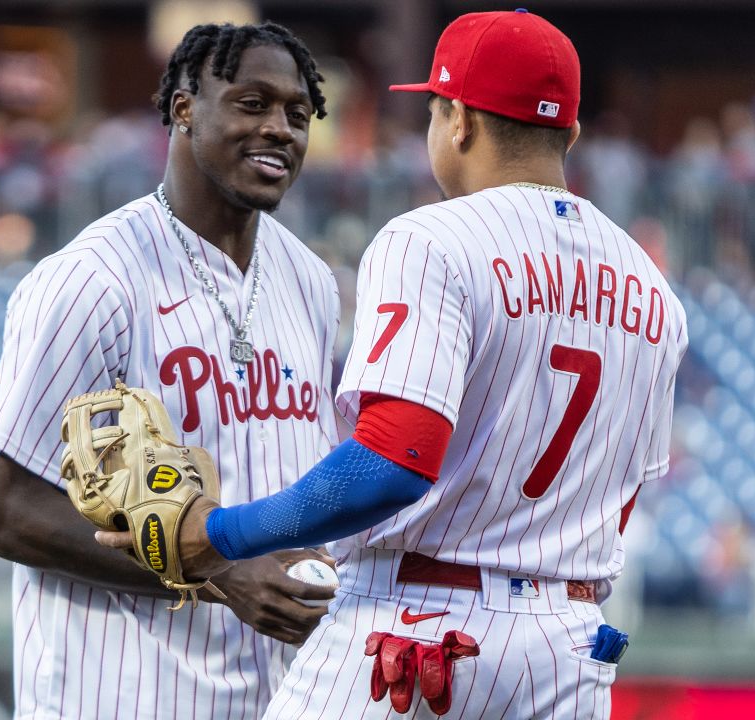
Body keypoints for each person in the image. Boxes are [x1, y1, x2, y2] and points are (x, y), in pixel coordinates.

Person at [100, 10, 688, 718]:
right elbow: (622, 497)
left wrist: (220, 533)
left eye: (436, 112)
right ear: (570, 134)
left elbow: (395, 459)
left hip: (420, 632)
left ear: (459, 121)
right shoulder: (652, 289)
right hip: (566, 651)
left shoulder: (431, 239)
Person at [0, 21, 343, 719]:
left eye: (297, 114)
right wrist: (218, 569)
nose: (279, 129)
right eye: (251, 103)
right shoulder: (94, 280)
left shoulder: (311, 281)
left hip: (280, 697)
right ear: (183, 108)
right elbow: (11, 513)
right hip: (119, 694)